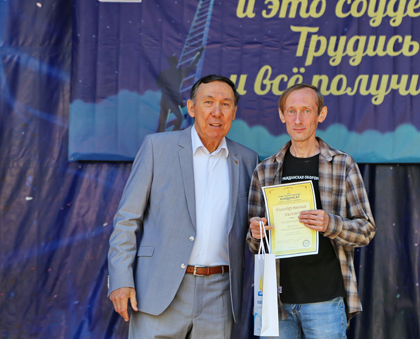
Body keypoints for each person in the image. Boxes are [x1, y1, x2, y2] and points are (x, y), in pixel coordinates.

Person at [108, 75, 259, 339]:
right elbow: (127, 220)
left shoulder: (247, 159)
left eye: (225, 104)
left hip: (219, 296)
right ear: (191, 107)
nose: (216, 112)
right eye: (208, 102)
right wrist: (121, 278)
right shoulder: (157, 148)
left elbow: (250, 228)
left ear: (234, 112)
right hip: (159, 288)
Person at [247, 84, 376, 338]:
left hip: (325, 300)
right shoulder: (265, 170)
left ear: (321, 114)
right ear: (282, 115)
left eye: (306, 111)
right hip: (276, 301)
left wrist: (330, 224)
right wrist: (257, 233)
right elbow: (253, 243)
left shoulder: (342, 165)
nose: (298, 119)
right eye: (291, 111)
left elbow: (366, 230)